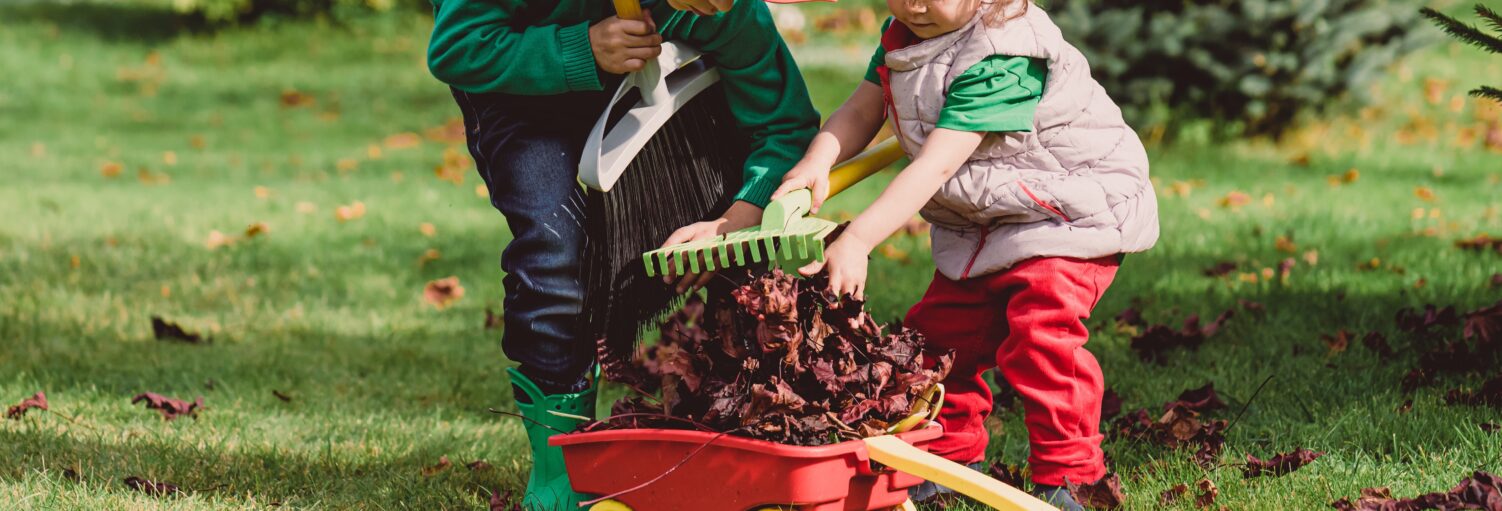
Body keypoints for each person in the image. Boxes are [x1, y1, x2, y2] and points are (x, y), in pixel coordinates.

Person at [424, 0, 818, 507]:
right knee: (554, 254)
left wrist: (738, 216)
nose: (724, 4)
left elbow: (784, 123)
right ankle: (561, 466)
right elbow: (457, 46)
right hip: (520, 75)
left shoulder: (723, 8)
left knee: (739, 240)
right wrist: (579, 50)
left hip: (655, 80)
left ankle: (739, 433)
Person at [771, 0, 1159, 508]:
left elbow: (935, 165)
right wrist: (818, 160)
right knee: (938, 342)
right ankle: (948, 459)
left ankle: (1071, 477)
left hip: (1066, 211)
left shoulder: (1005, 54)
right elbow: (864, 108)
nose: (914, 4)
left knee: (1042, 342)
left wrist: (859, 239)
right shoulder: (902, 34)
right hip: (991, 218)